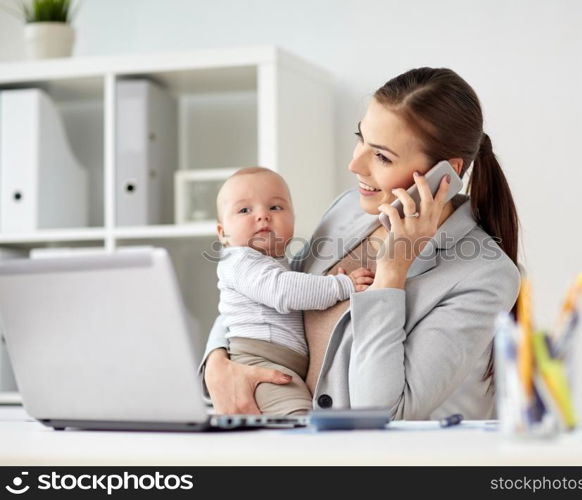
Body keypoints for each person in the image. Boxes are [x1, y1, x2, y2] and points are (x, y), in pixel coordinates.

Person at [201, 67, 521, 420]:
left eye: (382, 156)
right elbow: (262, 283)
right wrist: (217, 361)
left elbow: (386, 413)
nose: (354, 164)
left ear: (444, 174)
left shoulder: (485, 275)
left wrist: (391, 273)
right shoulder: (348, 209)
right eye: (360, 138)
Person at [214, 167, 373, 415]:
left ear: (294, 218)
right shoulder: (239, 261)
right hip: (260, 361)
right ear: (223, 233)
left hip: (283, 364)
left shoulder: (279, 262)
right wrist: (342, 285)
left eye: (275, 207)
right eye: (245, 210)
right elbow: (283, 291)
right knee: (297, 421)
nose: (263, 216)